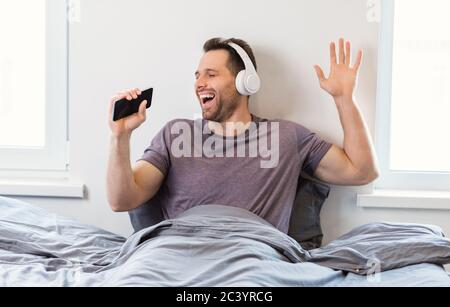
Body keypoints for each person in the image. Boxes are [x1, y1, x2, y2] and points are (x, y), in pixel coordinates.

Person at [106, 37, 379, 233]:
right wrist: (119, 137)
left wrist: (344, 98)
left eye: (211, 74)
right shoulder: (176, 135)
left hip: (251, 257)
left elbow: (361, 171)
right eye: (197, 75)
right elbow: (121, 200)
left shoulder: (285, 137)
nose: (199, 83)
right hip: (177, 254)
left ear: (245, 82)